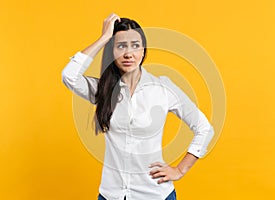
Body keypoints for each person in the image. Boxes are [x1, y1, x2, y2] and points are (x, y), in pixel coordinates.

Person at [61, 13, 214, 200]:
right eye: (120, 46)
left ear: (143, 51)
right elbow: (69, 75)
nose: (128, 53)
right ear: (112, 52)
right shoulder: (102, 90)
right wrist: (103, 38)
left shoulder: (163, 88)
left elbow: (204, 128)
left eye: (135, 46)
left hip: (155, 194)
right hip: (112, 194)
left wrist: (180, 170)